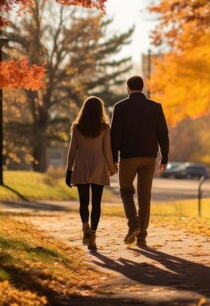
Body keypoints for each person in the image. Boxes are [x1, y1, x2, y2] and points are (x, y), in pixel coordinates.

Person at [111, 76, 169, 247]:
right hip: (149, 158)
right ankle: (142, 237)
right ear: (142, 88)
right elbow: (163, 135)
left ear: (128, 88)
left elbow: (115, 136)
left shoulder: (120, 107)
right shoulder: (155, 107)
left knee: (126, 191)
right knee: (145, 197)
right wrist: (164, 158)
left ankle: (133, 225)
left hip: (128, 157)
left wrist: (113, 160)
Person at [65, 96, 117, 251]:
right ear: (100, 110)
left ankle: (85, 227)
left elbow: (72, 150)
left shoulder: (77, 127)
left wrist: (69, 170)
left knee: (83, 201)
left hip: (81, 165)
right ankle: (92, 236)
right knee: (96, 203)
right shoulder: (105, 127)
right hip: (99, 166)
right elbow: (107, 149)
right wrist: (111, 167)